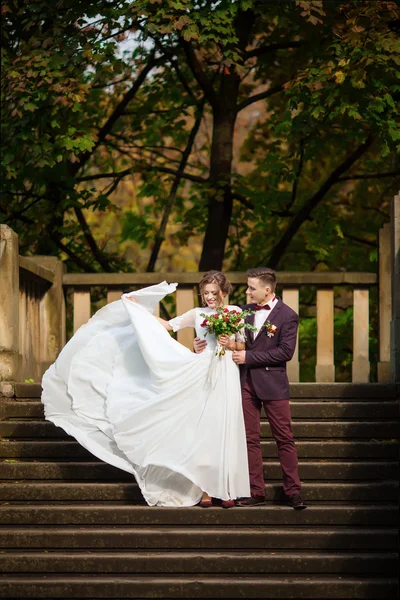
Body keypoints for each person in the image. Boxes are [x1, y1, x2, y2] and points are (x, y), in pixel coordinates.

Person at [41, 271, 250, 508]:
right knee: (203, 428)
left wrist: (228, 343)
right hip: (203, 371)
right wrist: (137, 311)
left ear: (223, 292)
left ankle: (228, 490)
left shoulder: (235, 313)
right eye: (205, 293)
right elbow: (169, 326)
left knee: (225, 426)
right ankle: (205, 491)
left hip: (227, 372)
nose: (209, 297)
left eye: (214, 293)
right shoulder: (197, 314)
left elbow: (241, 344)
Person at [194, 267, 306, 510]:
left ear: (267, 290)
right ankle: (255, 491)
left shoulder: (288, 315)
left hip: (273, 385)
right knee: (249, 440)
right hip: (244, 384)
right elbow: (219, 329)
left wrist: (248, 357)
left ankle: (293, 491)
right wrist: (200, 342)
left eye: (251, 288)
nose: (247, 291)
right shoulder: (240, 313)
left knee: (284, 438)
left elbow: (285, 352)